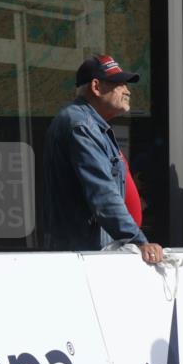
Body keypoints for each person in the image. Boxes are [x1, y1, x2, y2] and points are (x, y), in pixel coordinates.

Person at [43, 55, 164, 265]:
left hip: (91, 252)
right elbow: (102, 193)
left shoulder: (94, 126)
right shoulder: (80, 126)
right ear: (96, 87)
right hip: (83, 257)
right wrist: (138, 241)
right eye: (119, 84)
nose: (127, 90)